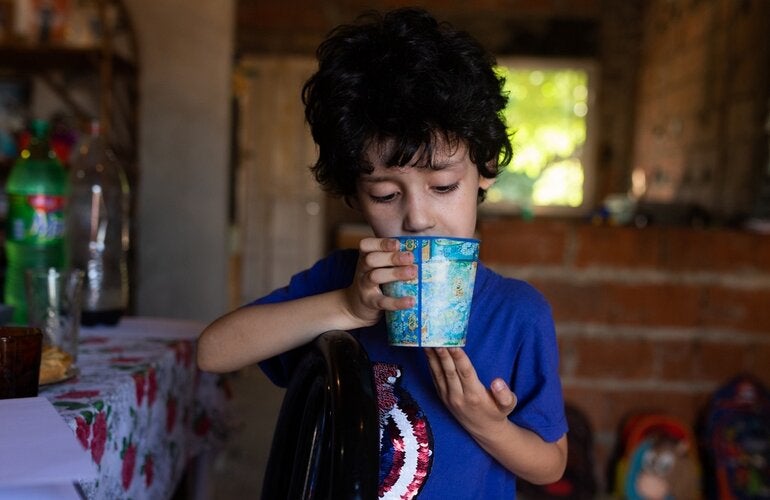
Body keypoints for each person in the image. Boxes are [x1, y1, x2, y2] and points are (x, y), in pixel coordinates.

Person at [198, 7, 568, 498]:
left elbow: (551, 465)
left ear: (484, 172)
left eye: (442, 185)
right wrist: (346, 307)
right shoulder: (339, 283)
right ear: (352, 195)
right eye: (385, 195)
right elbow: (213, 352)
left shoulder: (518, 313)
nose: (417, 217)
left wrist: (487, 425)